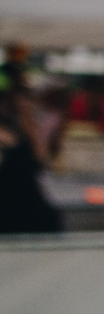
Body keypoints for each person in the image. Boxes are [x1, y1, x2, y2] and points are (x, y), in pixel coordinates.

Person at [0, 81, 63, 235]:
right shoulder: (8, 133)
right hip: (9, 207)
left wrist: (27, 117)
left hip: (29, 207)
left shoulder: (28, 130)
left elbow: (41, 160)